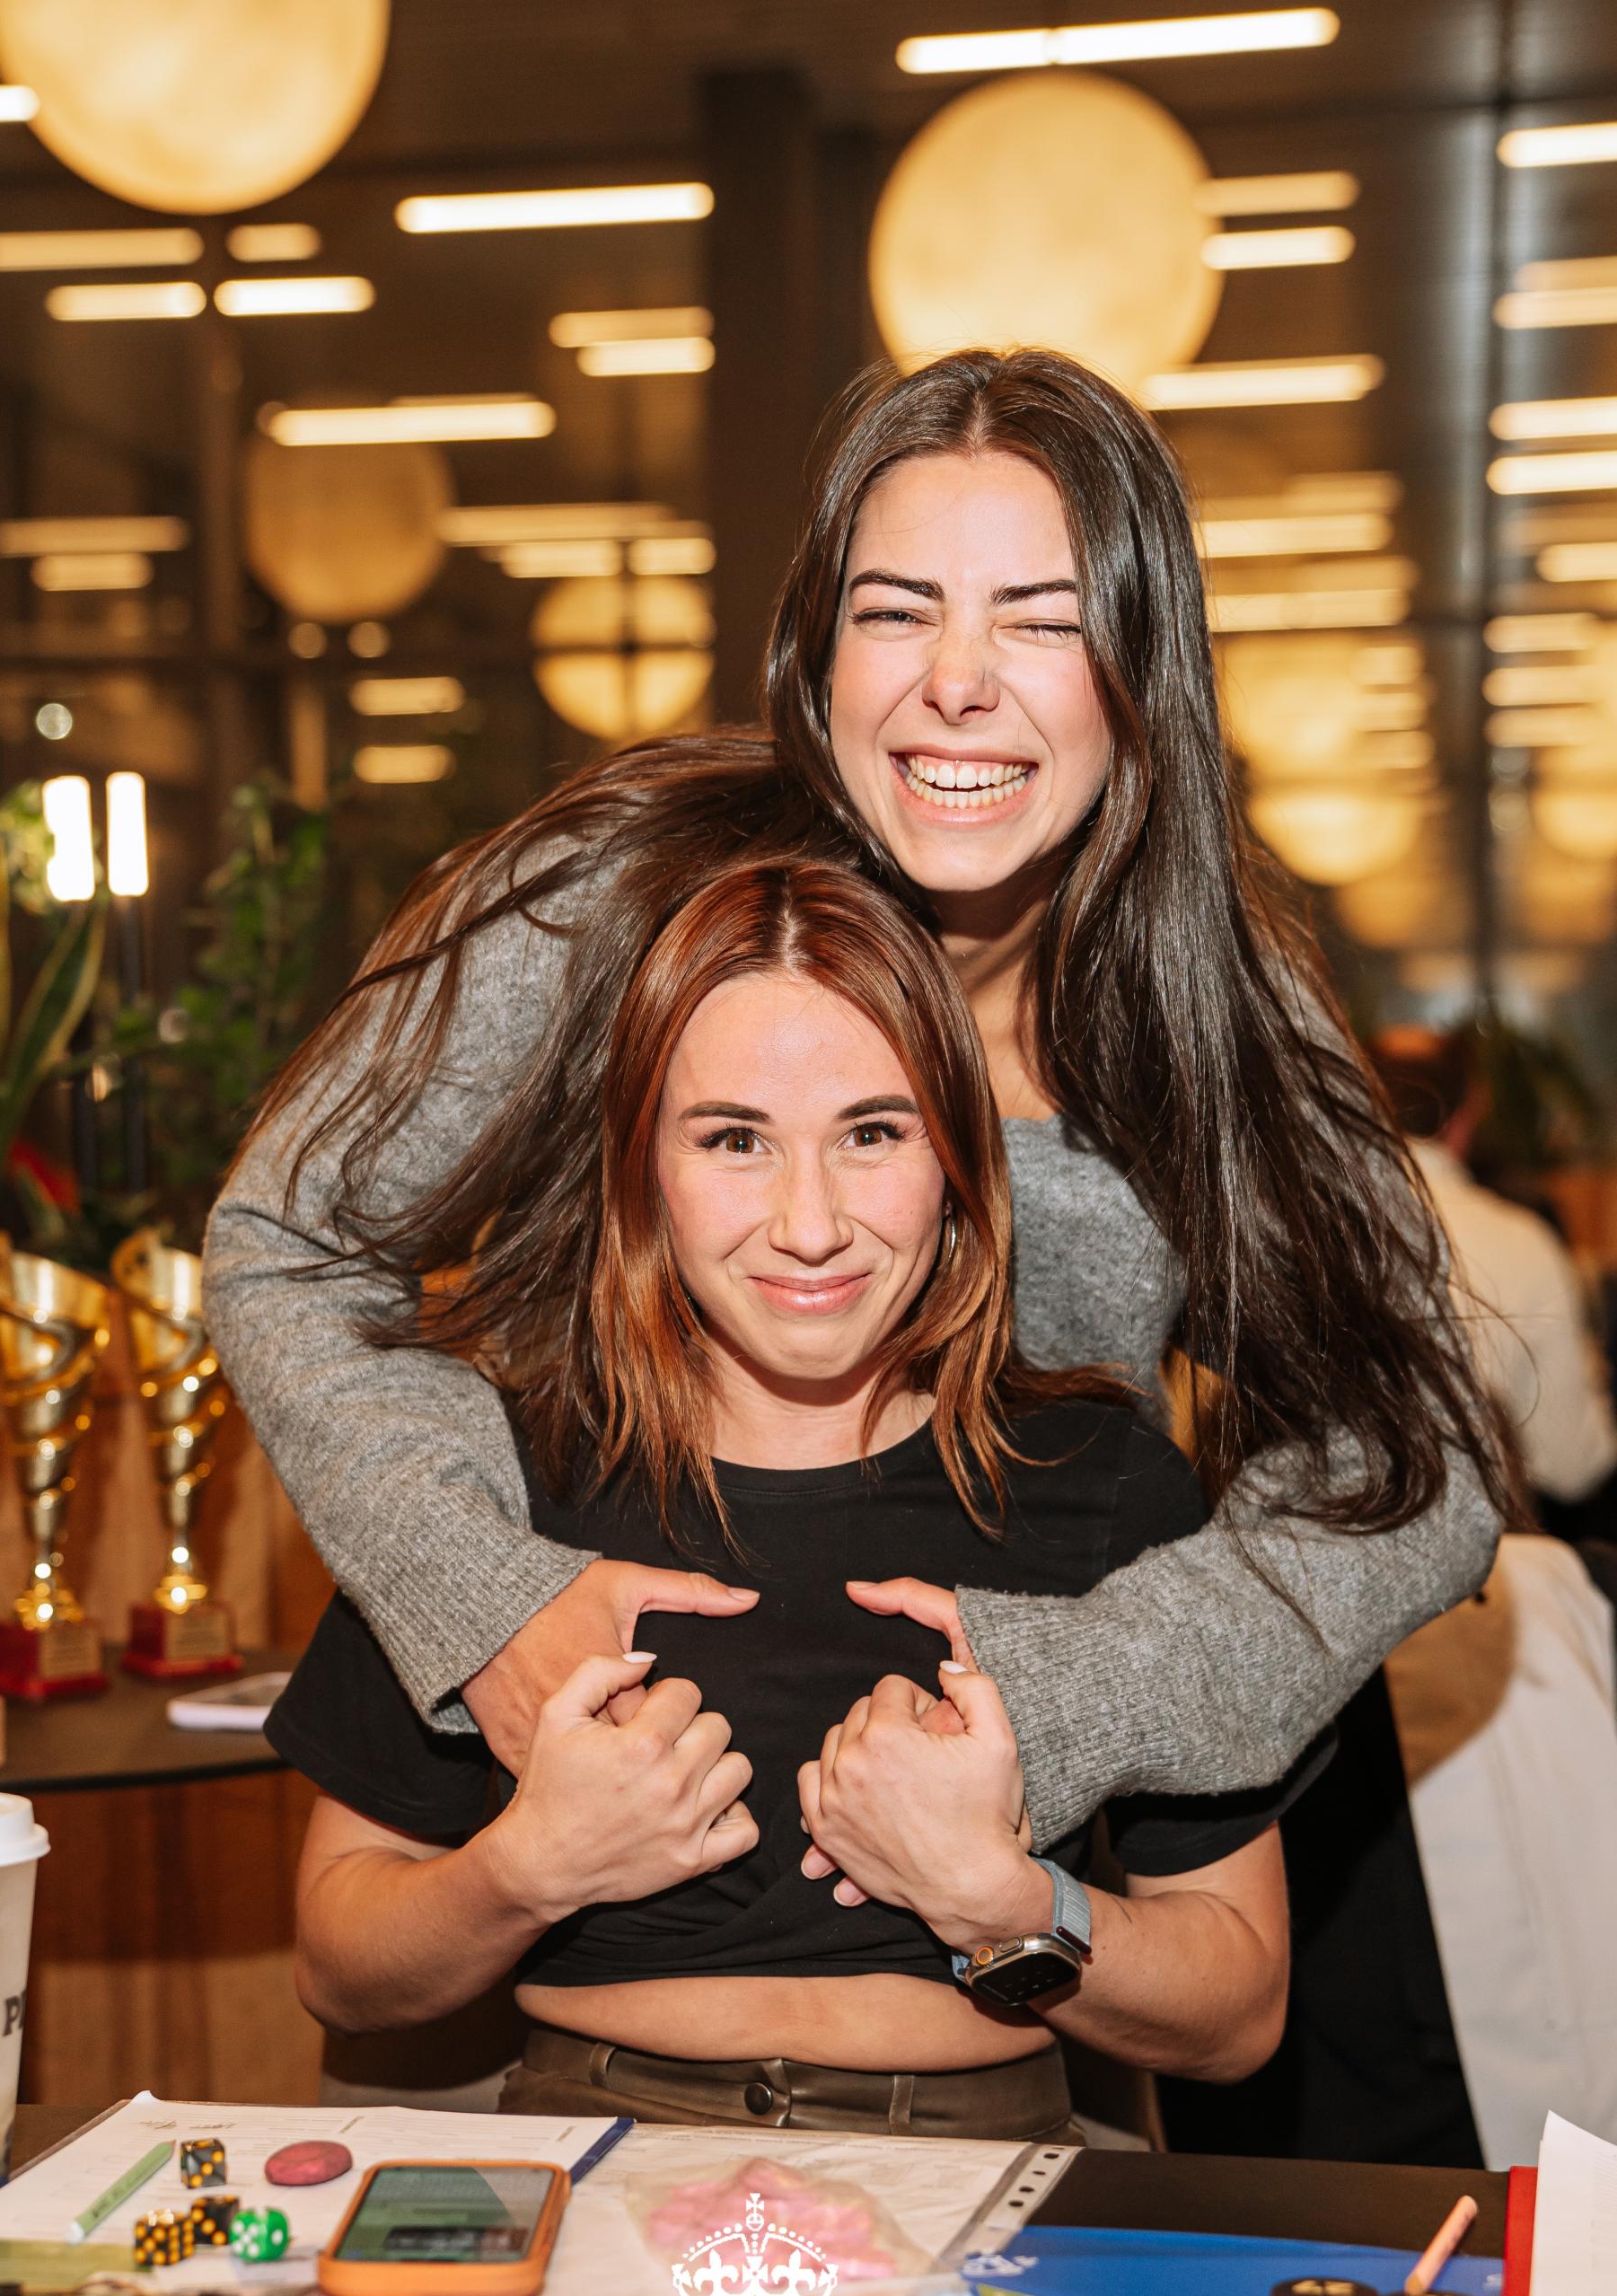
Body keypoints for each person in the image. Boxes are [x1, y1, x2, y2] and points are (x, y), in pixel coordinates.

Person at [206, 347, 1517, 1861]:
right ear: (817, 654)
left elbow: (1416, 1450)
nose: (957, 682)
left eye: (1043, 620)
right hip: (598, 1835)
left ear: (1141, 672)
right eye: (896, 611)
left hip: (1015, 1880)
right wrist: (490, 1600)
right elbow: (286, 1244)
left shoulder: (1213, 1000)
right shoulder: (615, 899)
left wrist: (1075, 1694)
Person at [272, 859, 1314, 2141]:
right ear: (642, 1168)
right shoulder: (487, 1488)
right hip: (592, 2155)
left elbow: (1237, 2009)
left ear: (958, 1160)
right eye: (734, 1140)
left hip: (984, 2160)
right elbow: (342, 1967)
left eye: (873, 1134)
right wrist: (527, 1870)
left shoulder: (1104, 1485)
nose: (809, 1225)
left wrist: (1003, 1902)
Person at [1369, 1025, 1617, 1543]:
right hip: (1487, 1555)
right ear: (1465, 1118)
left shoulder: (1301, 1233)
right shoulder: (1523, 1242)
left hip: (1324, 1553)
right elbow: (1574, 1465)